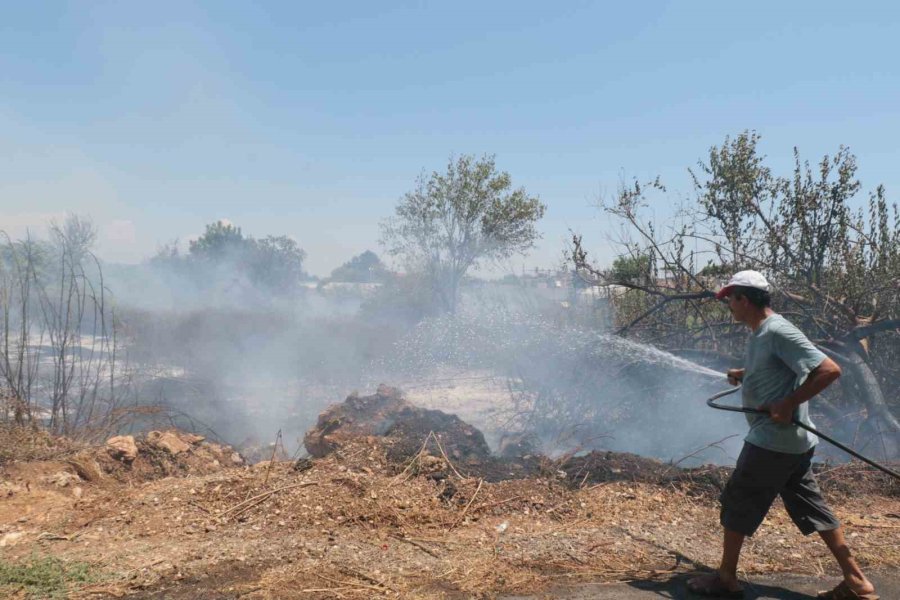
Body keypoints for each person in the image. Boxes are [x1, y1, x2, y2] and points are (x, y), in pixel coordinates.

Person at [687, 270, 878, 600]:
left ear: (743, 299)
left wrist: (788, 403)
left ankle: (726, 579)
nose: (728, 306)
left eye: (730, 300)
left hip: (772, 442)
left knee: (737, 502)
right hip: (791, 445)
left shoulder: (777, 330)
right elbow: (778, 366)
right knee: (814, 509)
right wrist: (745, 373)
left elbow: (829, 369)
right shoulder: (763, 333)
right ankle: (857, 582)